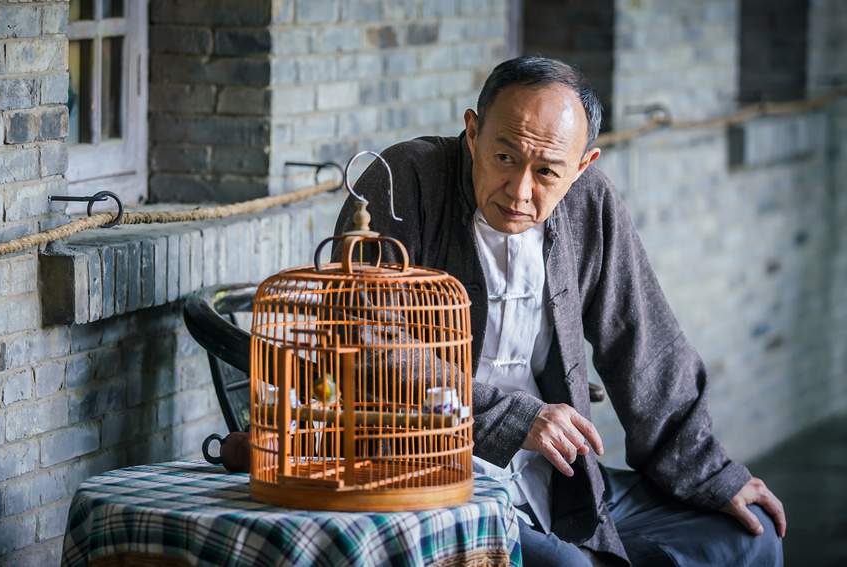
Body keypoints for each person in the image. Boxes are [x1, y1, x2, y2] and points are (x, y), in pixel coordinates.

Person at [333, 56, 786, 566]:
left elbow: (644, 343)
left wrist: (710, 473)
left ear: (582, 167)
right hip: (432, 482)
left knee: (752, 535)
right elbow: (361, 337)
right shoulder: (402, 181)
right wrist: (513, 416)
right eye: (504, 157)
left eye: (546, 171)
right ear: (473, 131)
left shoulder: (589, 201)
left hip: (556, 480)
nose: (520, 191)